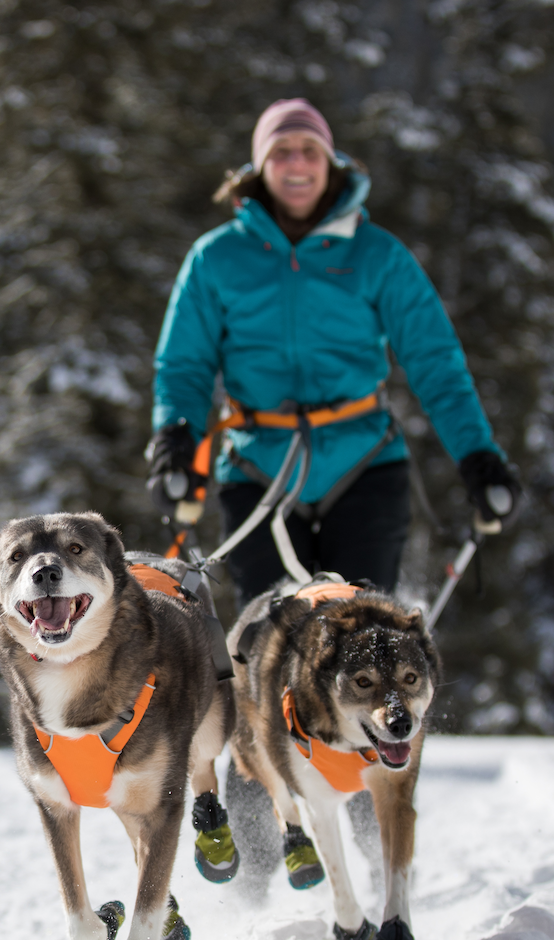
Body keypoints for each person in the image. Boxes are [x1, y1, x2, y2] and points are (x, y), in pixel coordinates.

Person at [145, 99, 520, 606]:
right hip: (260, 469)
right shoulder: (216, 258)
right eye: (282, 152)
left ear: (330, 162)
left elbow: (436, 363)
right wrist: (177, 435)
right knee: (270, 648)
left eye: (309, 150)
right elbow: (184, 364)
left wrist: (478, 455)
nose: (297, 164)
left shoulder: (378, 255)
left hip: (363, 464)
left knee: (361, 643)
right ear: (259, 166)